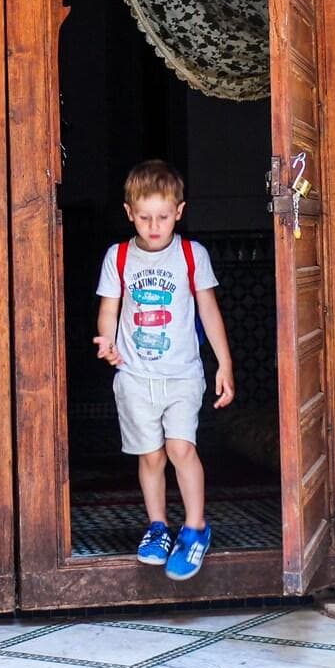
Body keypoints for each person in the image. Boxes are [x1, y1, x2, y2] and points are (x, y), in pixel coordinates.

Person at [94, 159, 234, 580]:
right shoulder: (118, 257)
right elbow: (109, 310)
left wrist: (224, 364)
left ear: (179, 211)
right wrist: (107, 341)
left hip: (183, 375)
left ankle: (195, 529)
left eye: (162, 217)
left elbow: (209, 311)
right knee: (150, 455)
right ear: (129, 213)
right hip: (135, 377)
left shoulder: (192, 255)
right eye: (144, 217)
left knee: (180, 449)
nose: (154, 227)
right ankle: (157, 527)